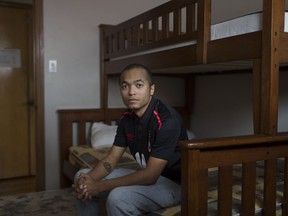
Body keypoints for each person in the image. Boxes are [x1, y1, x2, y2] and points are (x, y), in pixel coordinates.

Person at [73, 63, 188, 215]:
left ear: (151, 89)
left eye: (139, 85)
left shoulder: (167, 120)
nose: (131, 92)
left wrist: (99, 186)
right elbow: (112, 159)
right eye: (125, 86)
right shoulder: (126, 119)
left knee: (118, 197)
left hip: (176, 185)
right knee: (81, 175)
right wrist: (88, 181)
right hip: (150, 176)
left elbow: (150, 175)